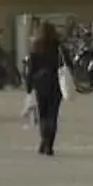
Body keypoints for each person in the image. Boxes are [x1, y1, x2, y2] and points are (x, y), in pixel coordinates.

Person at [25, 21, 64, 157]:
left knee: (43, 114)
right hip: (56, 83)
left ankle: (43, 140)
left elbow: (31, 69)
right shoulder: (59, 47)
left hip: (41, 84)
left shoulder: (36, 47)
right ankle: (49, 145)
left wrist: (29, 88)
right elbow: (68, 63)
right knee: (53, 114)